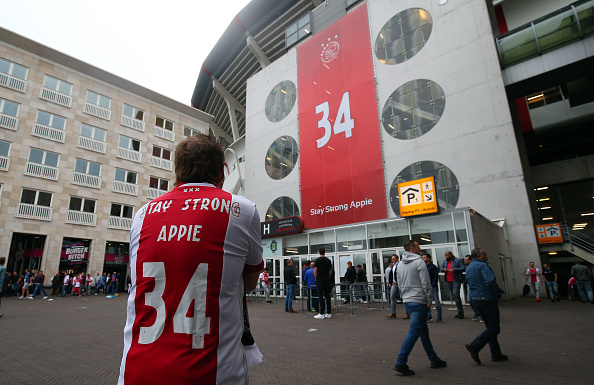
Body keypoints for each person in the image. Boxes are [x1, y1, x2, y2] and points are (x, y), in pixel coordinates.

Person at [118, 133, 263, 385]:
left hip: (137, 372)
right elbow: (248, 284)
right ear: (222, 171)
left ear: (178, 171)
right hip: (211, 373)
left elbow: (137, 283)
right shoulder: (242, 210)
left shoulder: (141, 215)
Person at [394, 240, 447, 376]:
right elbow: (426, 282)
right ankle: (401, 362)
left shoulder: (399, 264)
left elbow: (399, 282)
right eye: (418, 247)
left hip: (408, 300)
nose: (420, 249)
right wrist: (428, 299)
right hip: (418, 301)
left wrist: (404, 296)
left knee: (423, 331)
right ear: (412, 249)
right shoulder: (419, 262)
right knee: (414, 331)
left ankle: (434, 359)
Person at [464, 248, 507, 365]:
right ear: (479, 255)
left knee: (490, 328)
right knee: (494, 328)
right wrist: (498, 292)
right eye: (485, 254)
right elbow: (490, 281)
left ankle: (496, 353)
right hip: (486, 298)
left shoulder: (469, 267)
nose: (486, 256)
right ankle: (475, 345)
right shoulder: (483, 266)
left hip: (477, 299)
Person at [441, 251, 465, 318]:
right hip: (449, 280)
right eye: (445, 255)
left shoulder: (458, 260)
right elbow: (441, 268)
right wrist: (444, 269)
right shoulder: (445, 261)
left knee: (456, 294)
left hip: (456, 279)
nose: (446, 257)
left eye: (447, 255)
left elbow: (463, 268)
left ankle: (461, 312)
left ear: (450, 255)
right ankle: (459, 311)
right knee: (454, 295)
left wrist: (454, 269)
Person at [313, 248, 333, 319]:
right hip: (326, 279)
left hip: (320, 279)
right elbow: (330, 270)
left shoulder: (317, 260)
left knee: (321, 296)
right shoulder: (328, 260)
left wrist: (316, 279)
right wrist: (328, 276)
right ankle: (329, 312)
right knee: (327, 296)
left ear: (319, 252)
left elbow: (315, 270)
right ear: (325, 252)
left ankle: (322, 313)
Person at [422, 253, 442, 323]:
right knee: (426, 302)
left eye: (424, 257)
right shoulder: (423, 267)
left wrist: (433, 285)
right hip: (425, 286)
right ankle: (429, 315)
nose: (423, 258)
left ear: (428, 258)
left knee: (436, 301)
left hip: (433, 286)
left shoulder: (433, 267)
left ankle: (439, 316)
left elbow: (436, 277)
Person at [464, 255, 481, 321]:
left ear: (470, 260)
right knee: (470, 300)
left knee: (478, 300)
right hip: (470, 285)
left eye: (466, 260)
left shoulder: (474, 266)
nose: (465, 261)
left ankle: (482, 315)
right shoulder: (467, 267)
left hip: (476, 285)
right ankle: (477, 312)